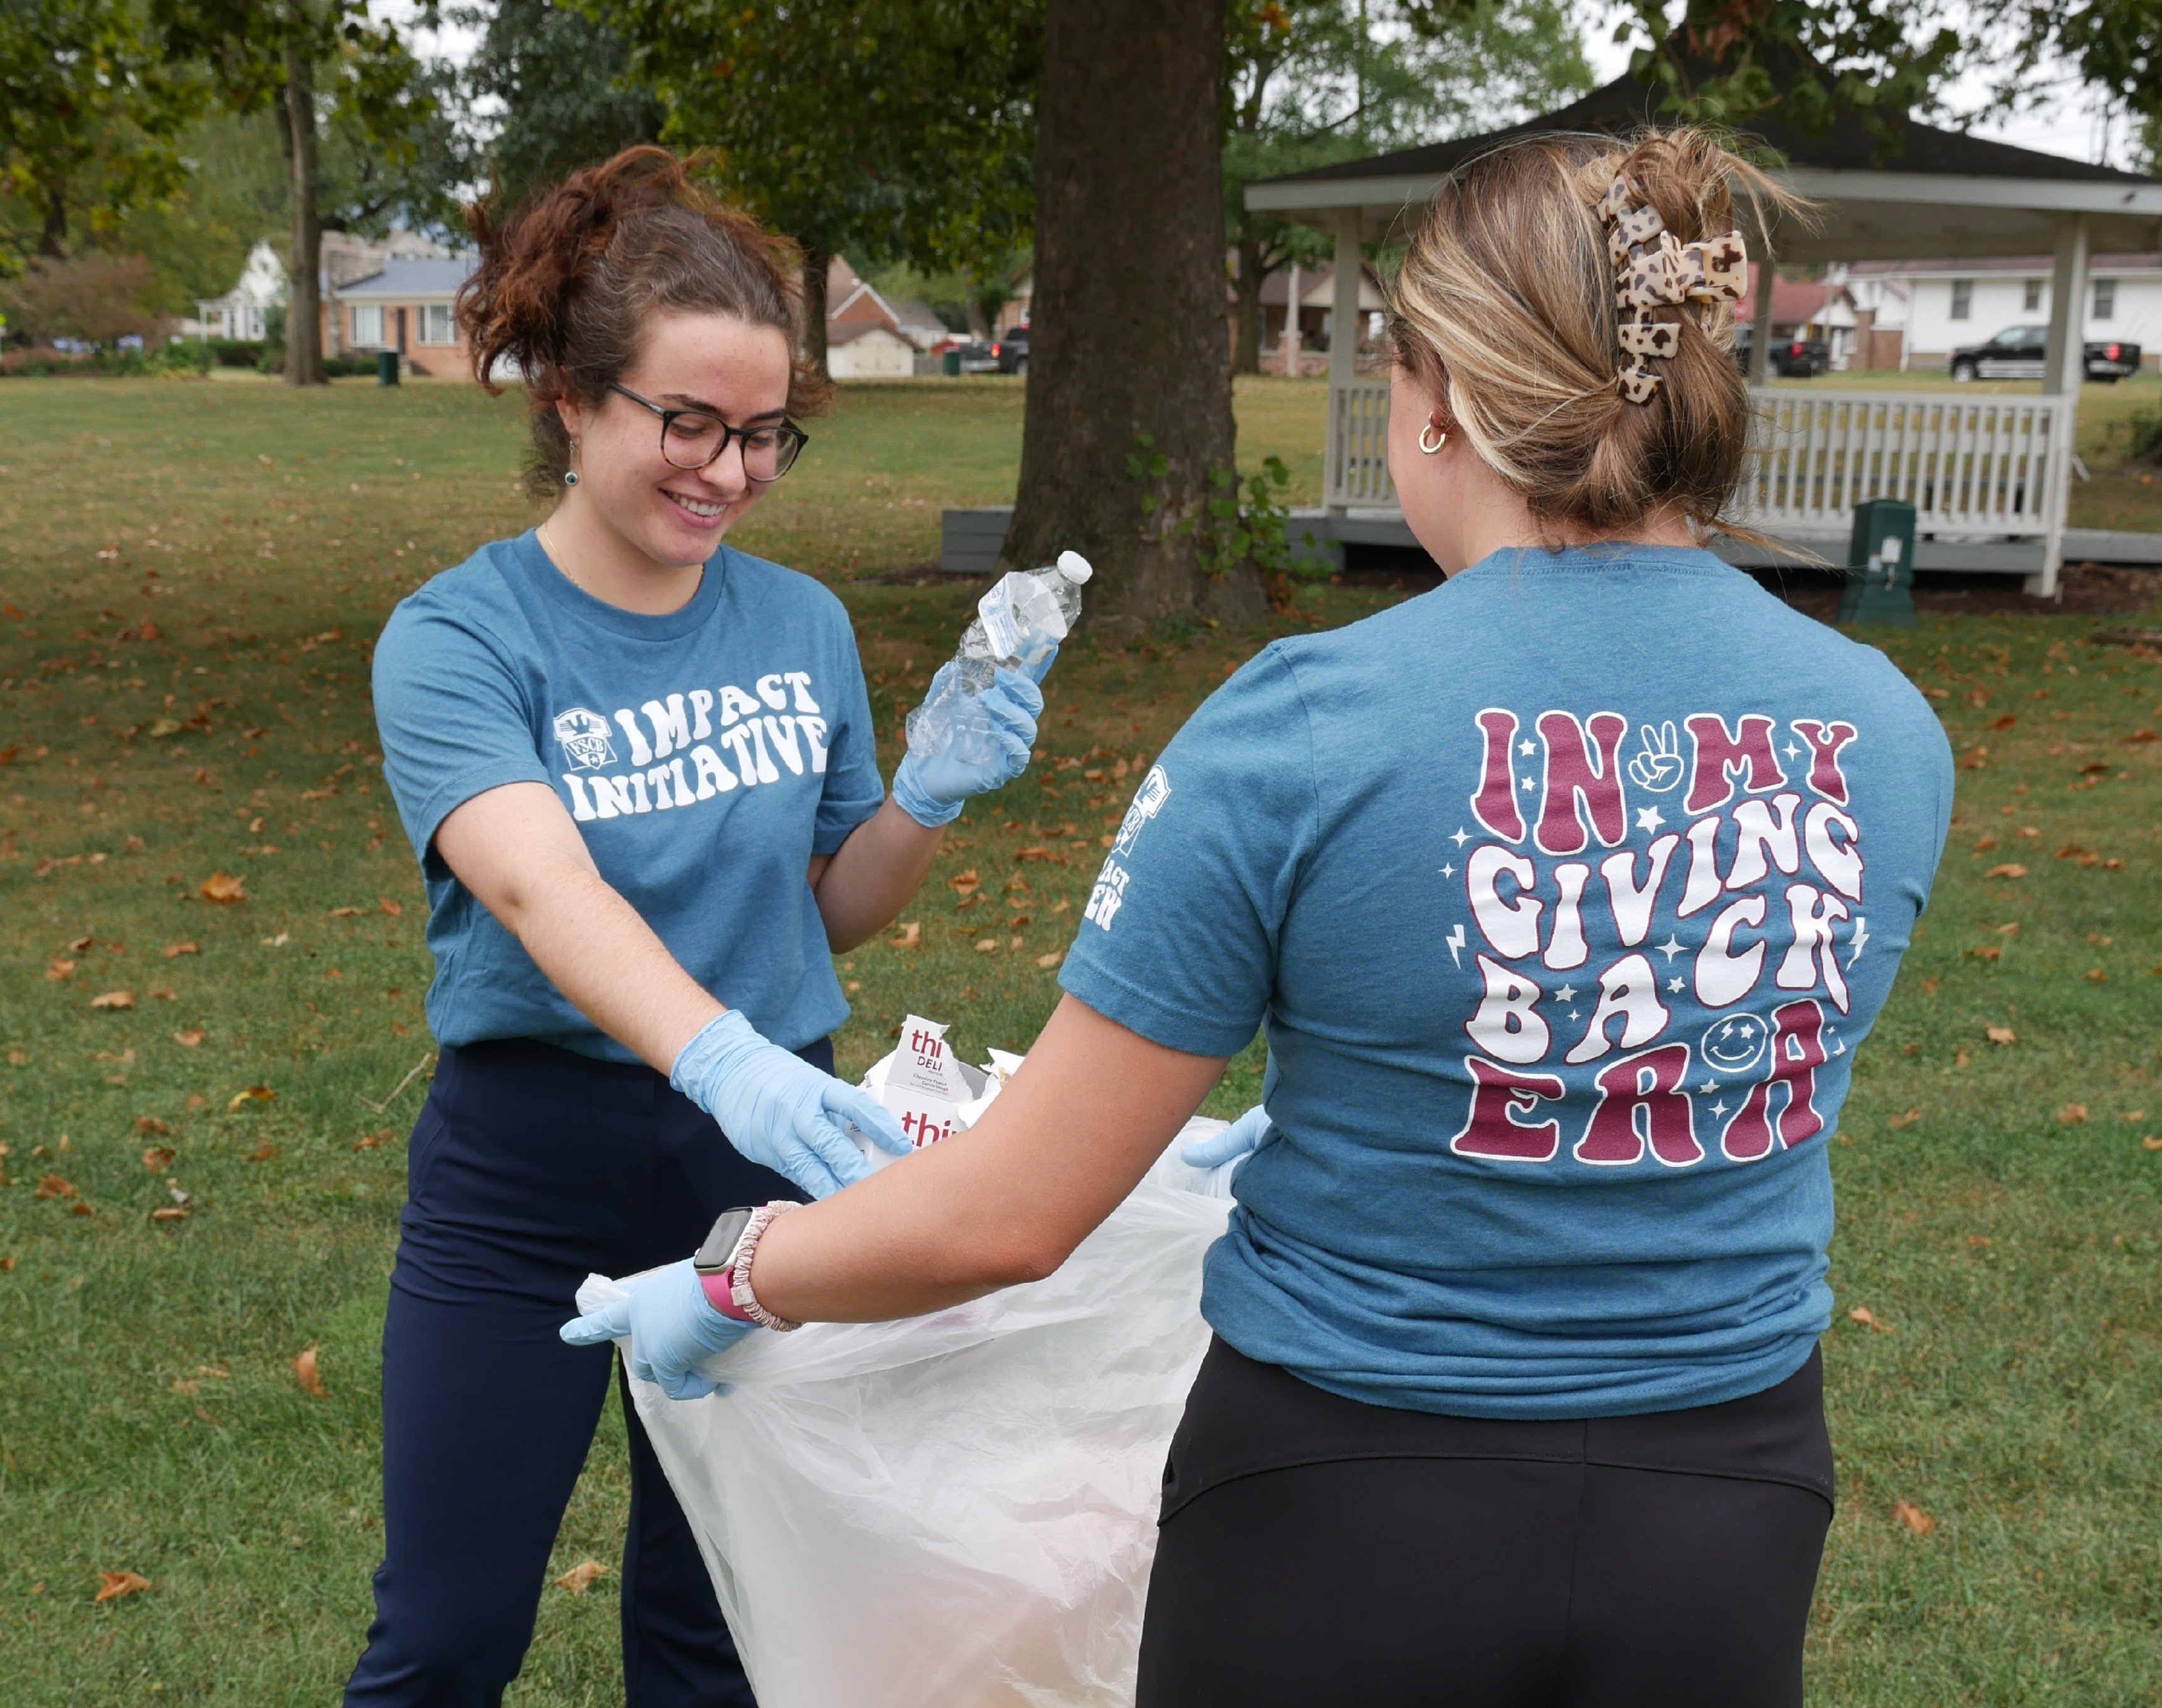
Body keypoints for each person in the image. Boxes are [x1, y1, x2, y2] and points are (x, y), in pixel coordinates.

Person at [568, 129, 1953, 1706]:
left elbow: (1012, 1213)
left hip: (1347, 1495)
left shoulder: (1307, 724)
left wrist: (739, 1272)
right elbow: (1679, 1052)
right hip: (1726, 1500)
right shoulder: (1884, 732)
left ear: (1439, 401)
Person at [350, 147, 1049, 1707]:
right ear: (569, 400)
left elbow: (831, 911)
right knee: (449, 1631)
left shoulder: (799, 622)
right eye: (688, 423)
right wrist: (726, 1059)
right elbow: (541, 891)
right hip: (526, 1168)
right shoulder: (458, 638)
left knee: (720, 1627)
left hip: (757, 1173)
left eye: (763, 433)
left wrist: (924, 798)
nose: (728, 472)